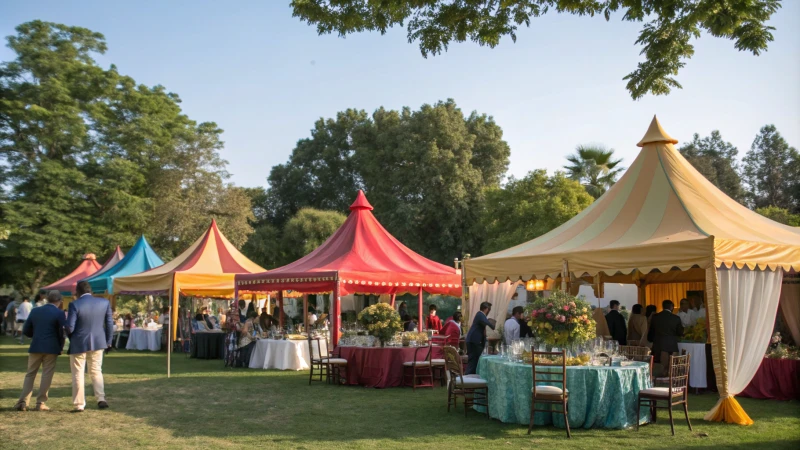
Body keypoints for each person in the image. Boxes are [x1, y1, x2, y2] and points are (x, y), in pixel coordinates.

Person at [13, 290, 68, 411]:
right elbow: (62, 332)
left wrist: (36, 335)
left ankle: (23, 402)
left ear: (47, 299)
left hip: (36, 346)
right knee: (46, 375)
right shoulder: (59, 313)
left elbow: (27, 330)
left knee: (30, 374)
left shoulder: (35, 310)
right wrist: (60, 346)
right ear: (59, 301)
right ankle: (40, 403)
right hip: (52, 348)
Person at [66, 281, 113, 412]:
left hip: (79, 342)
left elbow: (70, 327)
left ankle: (79, 404)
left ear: (77, 291)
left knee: (78, 373)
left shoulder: (74, 304)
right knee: (96, 371)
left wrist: (69, 335)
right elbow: (109, 323)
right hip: (98, 342)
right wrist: (108, 341)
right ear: (90, 290)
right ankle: (101, 398)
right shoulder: (104, 303)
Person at [466, 302, 495, 375]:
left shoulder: (480, 315)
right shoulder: (480, 314)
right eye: (489, 309)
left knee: (475, 360)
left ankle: (470, 377)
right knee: (474, 360)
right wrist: (493, 323)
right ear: (486, 309)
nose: (489, 311)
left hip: (473, 340)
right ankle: (468, 377)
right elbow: (490, 325)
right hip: (474, 341)